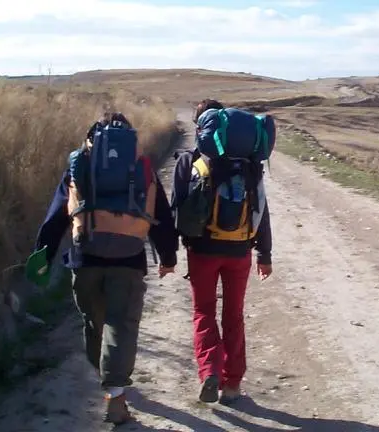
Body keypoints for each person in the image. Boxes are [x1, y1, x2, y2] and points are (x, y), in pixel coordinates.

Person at [32, 112, 178, 425]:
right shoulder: (142, 166)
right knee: (121, 326)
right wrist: (168, 256)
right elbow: (160, 214)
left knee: (94, 323)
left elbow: (57, 215)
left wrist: (42, 257)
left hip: (86, 259)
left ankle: (108, 381)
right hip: (128, 261)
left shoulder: (80, 165)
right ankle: (115, 392)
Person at [171, 99, 273, 405]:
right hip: (240, 250)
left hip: (202, 251)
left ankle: (209, 372)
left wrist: (171, 251)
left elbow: (176, 209)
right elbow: (262, 212)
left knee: (204, 312)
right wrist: (264, 255)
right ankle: (232, 384)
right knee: (234, 315)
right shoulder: (251, 166)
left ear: (202, 127)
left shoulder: (190, 163)